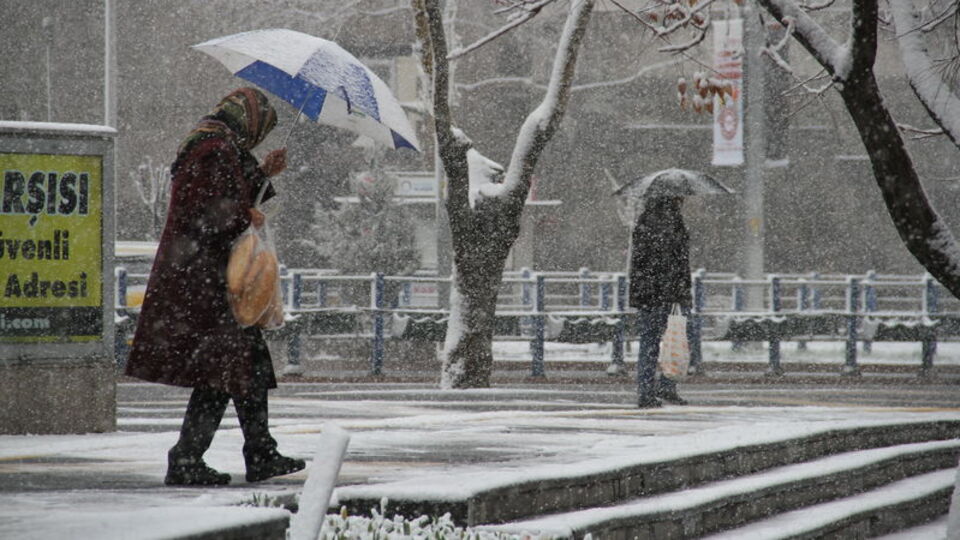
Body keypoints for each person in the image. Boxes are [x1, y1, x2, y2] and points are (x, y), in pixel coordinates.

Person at [125, 88, 305, 485]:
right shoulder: (214, 149)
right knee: (230, 370)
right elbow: (211, 212)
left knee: (238, 368)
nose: (257, 139)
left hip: (205, 277)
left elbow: (219, 196)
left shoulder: (212, 143)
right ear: (249, 120)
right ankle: (200, 457)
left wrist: (263, 174)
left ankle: (251, 452)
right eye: (261, 129)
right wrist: (246, 216)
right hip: (205, 280)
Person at [628, 196, 693, 408]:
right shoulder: (671, 223)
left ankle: (647, 390)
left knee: (651, 342)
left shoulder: (644, 222)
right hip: (667, 292)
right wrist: (680, 291)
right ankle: (664, 387)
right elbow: (676, 261)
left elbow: (641, 261)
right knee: (672, 340)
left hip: (648, 293)